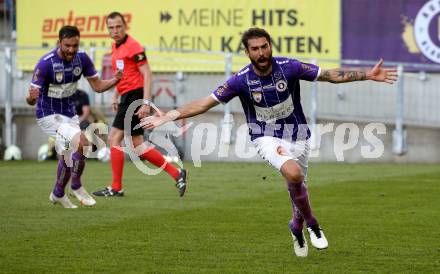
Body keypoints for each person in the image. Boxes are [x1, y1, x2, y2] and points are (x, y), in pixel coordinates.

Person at [139, 27, 397, 257]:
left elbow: (330, 75)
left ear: (270, 46)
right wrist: (170, 115)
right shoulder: (240, 80)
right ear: (247, 52)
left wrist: (367, 75)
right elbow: (205, 103)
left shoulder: (290, 67)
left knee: (297, 187)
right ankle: (314, 225)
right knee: (293, 175)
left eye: (265, 46)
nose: (261, 53)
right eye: (255, 49)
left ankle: (297, 226)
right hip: (265, 136)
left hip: (298, 135)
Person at [92, 11, 187, 198]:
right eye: (111, 27)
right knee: (138, 146)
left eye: (118, 26)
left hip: (135, 97)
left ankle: (116, 187)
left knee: (113, 139)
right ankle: (177, 173)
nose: (115, 30)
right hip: (126, 96)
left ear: (125, 26)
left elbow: (148, 75)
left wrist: (145, 103)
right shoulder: (115, 47)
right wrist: (115, 94)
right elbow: (123, 75)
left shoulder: (133, 46)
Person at [26, 25, 122, 208]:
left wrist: (115, 80)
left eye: (75, 45)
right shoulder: (46, 63)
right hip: (48, 114)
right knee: (82, 143)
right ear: (59, 42)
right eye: (67, 45)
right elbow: (31, 99)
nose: (71, 50)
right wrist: (30, 98)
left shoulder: (82, 59)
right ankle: (77, 186)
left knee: (69, 155)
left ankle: (58, 192)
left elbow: (98, 86)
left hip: (69, 114)